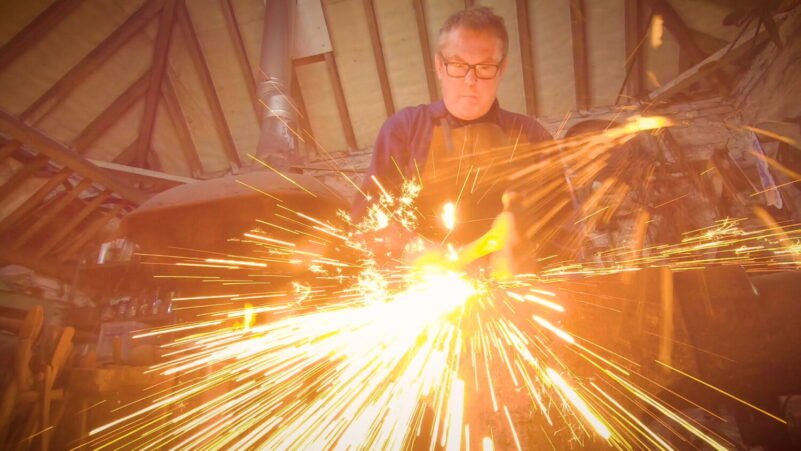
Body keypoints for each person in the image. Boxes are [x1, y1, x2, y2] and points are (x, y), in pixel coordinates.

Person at [353, 6, 552, 267]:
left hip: (510, 291)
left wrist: (527, 241)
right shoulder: (404, 129)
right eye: (458, 64)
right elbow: (368, 216)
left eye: (485, 66)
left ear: (501, 69)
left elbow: (564, 225)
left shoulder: (531, 136)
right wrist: (409, 247)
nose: (471, 79)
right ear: (440, 66)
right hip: (425, 287)